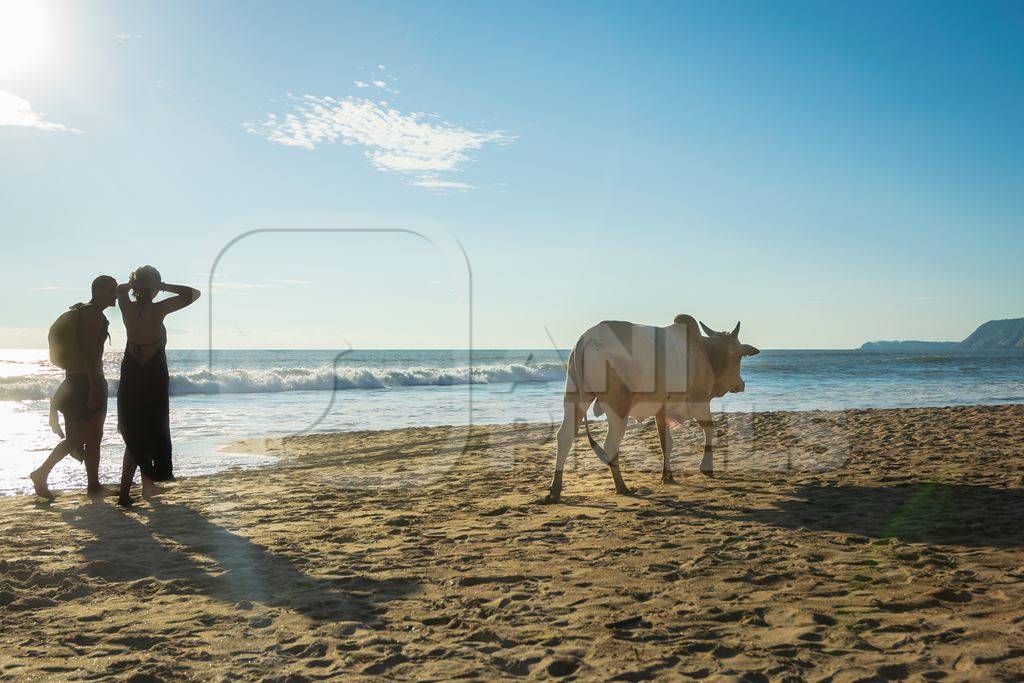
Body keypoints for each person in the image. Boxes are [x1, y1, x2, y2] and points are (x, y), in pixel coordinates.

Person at [115, 266, 200, 507]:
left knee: (135, 432)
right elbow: (193, 294)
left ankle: (140, 488)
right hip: (151, 372)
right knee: (146, 430)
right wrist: (161, 288)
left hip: (132, 370)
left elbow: (120, 289)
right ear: (152, 286)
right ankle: (136, 489)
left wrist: (137, 285)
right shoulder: (159, 308)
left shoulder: (126, 305)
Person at [30, 275, 118, 500]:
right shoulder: (93, 316)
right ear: (97, 291)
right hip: (86, 382)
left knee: (81, 438)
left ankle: (47, 475)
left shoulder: (84, 311)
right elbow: (89, 352)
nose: (115, 294)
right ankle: (89, 485)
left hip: (74, 381)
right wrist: (95, 386)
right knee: (88, 438)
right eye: (110, 290)